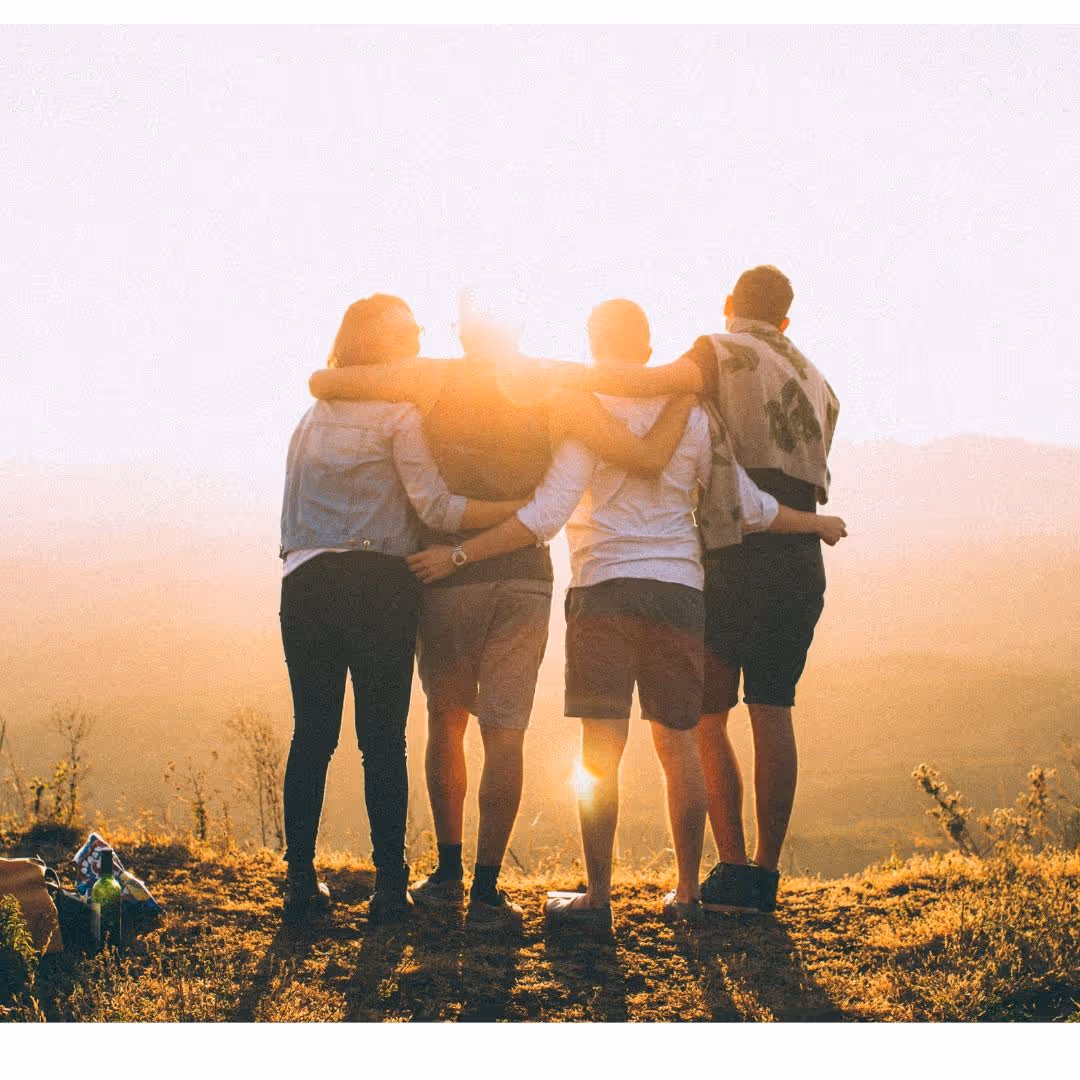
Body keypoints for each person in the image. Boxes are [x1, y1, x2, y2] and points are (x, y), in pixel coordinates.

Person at [407, 298, 846, 929]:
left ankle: (598, 898)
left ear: (592, 344)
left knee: (600, 752)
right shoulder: (694, 415)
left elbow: (545, 516)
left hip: (603, 591)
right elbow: (750, 507)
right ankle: (689, 893)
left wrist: (459, 554)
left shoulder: (584, 413)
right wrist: (816, 523)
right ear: (647, 350)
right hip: (679, 594)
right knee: (680, 749)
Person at [308, 291, 693, 932]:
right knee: (505, 731)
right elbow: (629, 431)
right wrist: (687, 388)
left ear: (463, 334)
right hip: (524, 576)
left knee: (446, 721)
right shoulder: (552, 383)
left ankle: (448, 872)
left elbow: (331, 380)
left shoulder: (432, 376)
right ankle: (488, 887)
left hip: (446, 573)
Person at [558, 267, 842, 915]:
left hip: (733, 550)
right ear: (787, 320)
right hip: (796, 555)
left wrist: (556, 376)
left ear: (728, 305)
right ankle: (763, 878)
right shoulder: (819, 380)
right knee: (774, 711)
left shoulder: (717, 350)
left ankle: (729, 869)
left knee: (704, 719)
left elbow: (654, 384)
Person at [278, 294, 526, 927]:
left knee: (312, 735)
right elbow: (438, 510)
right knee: (380, 740)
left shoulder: (310, 417)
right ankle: (390, 888)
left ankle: (300, 884)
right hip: (379, 585)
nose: (418, 341)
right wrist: (516, 510)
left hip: (305, 583)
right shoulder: (399, 416)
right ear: (384, 347)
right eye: (407, 333)